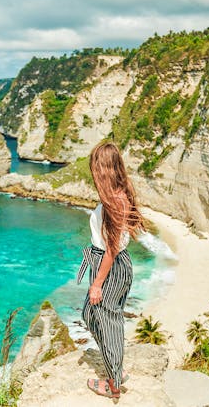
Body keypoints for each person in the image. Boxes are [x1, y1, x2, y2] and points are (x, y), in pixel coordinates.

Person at [77, 141, 145, 399]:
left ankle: (114, 384)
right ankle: (116, 369)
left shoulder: (114, 201)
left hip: (110, 267)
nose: (93, 173)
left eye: (96, 168)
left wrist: (97, 284)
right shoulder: (117, 195)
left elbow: (112, 249)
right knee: (90, 314)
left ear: (104, 169)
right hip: (109, 265)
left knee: (108, 321)